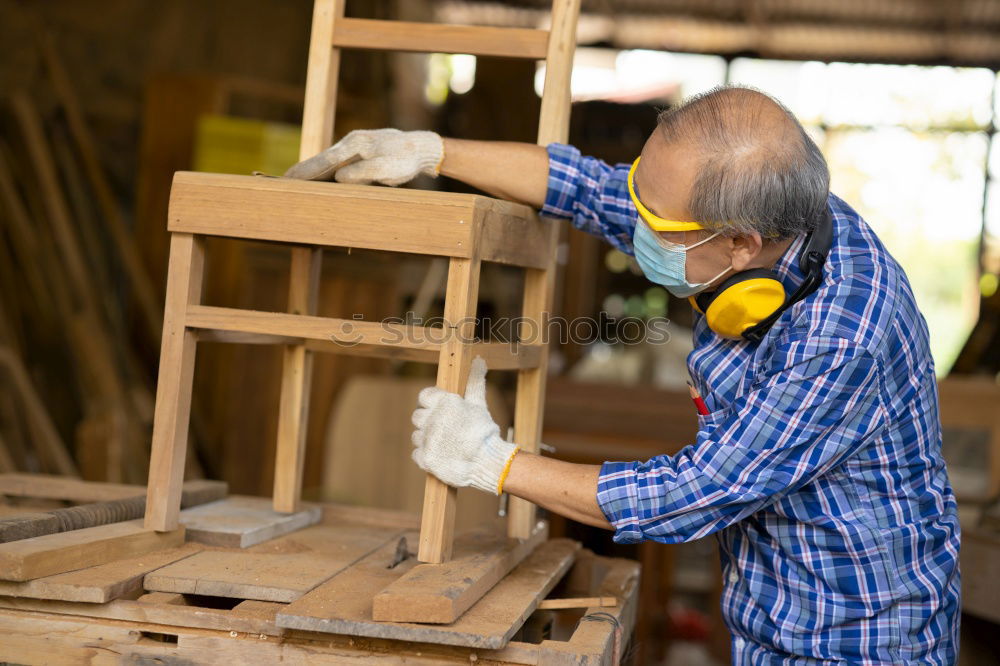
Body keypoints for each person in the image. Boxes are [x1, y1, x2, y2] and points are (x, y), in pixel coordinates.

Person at [285, 85, 960, 664]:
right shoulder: (767, 225)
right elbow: (589, 187)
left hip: (860, 638)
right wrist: (433, 152)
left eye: (657, 225)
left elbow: (695, 493)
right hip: (769, 614)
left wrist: (492, 461)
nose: (635, 226)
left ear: (741, 245)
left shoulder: (841, 337)